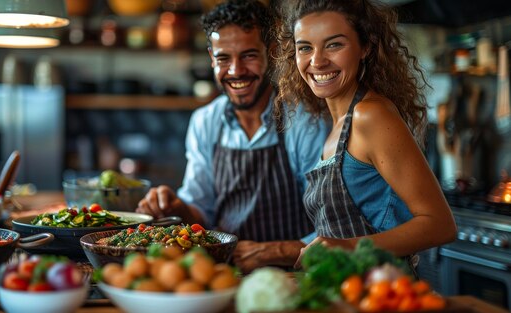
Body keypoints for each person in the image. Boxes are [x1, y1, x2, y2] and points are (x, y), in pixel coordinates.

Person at [136, 0, 327, 273]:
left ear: (271, 54)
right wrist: (173, 205)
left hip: (293, 276)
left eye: (249, 55)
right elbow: (202, 212)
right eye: (224, 58)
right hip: (223, 273)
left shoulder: (304, 121)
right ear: (211, 57)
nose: (236, 71)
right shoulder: (205, 122)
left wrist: (271, 252)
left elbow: (331, 229)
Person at [271, 0, 457, 265]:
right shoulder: (337, 125)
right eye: (305, 48)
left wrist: (347, 246)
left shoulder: (370, 115)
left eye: (334, 44)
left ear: (365, 47)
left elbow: (440, 224)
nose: (317, 61)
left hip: (385, 294)